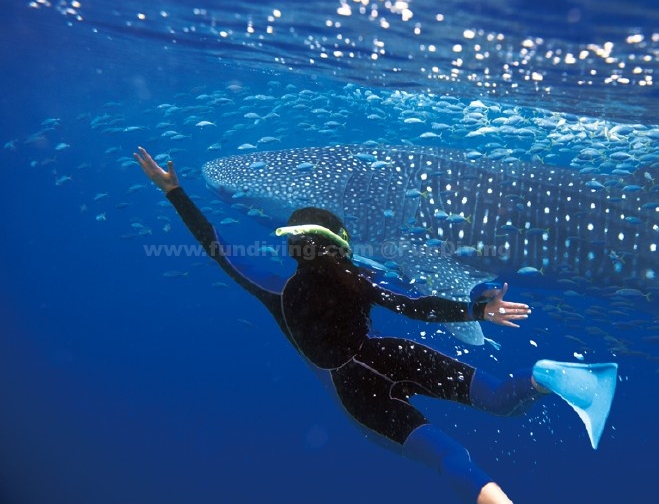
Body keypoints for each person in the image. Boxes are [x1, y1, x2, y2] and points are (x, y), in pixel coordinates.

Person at [134, 147, 618, 504]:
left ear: (291, 245)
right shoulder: (363, 277)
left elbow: (217, 248)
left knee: (449, 458)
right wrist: (476, 310)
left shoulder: (275, 291)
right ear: (341, 241)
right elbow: (418, 306)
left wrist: (174, 192)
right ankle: (544, 375)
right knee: (498, 397)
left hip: (357, 393)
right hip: (395, 354)